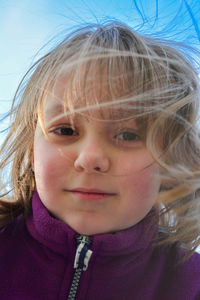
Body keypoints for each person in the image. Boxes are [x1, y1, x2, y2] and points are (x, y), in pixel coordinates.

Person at [0, 20, 200, 300]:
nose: (90, 158)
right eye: (66, 130)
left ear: (170, 160)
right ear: (32, 152)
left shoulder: (190, 283)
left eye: (128, 134)